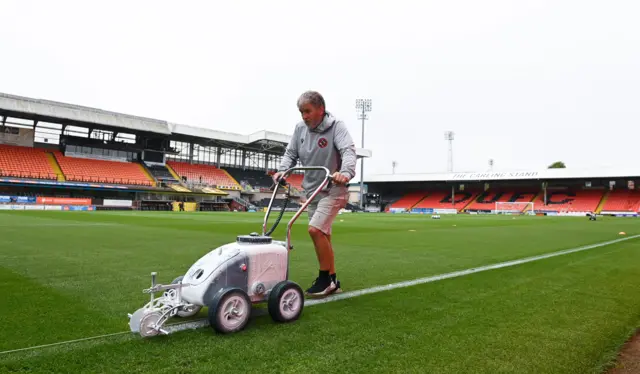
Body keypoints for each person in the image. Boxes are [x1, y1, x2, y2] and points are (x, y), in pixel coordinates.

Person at [273, 91, 357, 297]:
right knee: (324, 234)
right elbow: (291, 153)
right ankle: (333, 279)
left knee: (315, 230)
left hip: (334, 189)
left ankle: (324, 279)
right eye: (301, 112)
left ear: (321, 109)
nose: (304, 116)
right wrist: (282, 170)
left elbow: (348, 151)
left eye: (308, 111)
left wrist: (345, 173)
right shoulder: (300, 129)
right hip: (312, 190)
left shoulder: (337, 126)